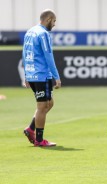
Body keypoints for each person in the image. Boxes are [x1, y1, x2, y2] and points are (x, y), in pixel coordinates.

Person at [22, 9, 61, 147]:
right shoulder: (43, 34)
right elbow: (48, 56)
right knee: (43, 106)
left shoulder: (30, 32)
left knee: (49, 103)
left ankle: (30, 129)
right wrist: (56, 76)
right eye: (54, 21)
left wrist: (26, 74)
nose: (54, 24)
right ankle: (39, 140)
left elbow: (25, 53)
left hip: (32, 74)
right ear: (48, 19)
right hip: (41, 75)